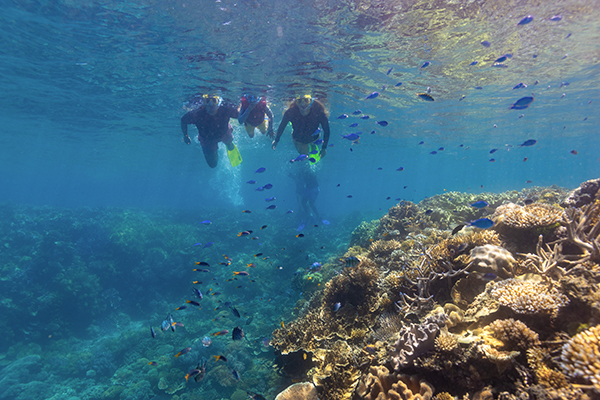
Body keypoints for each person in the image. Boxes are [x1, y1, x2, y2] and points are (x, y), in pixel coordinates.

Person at [181, 94, 242, 168]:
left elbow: (240, 114)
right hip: (207, 139)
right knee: (212, 164)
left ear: (219, 102)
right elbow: (183, 120)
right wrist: (186, 136)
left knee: (229, 142)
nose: (211, 105)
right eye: (207, 101)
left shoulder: (225, 109)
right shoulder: (197, 114)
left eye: (214, 101)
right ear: (204, 103)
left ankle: (228, 143)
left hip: (224, 133)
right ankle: (227, 143)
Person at [271, 94, 330, 161]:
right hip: (299, 140)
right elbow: (282, 126)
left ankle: (313, 145)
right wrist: (276, 140)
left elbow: (326, 130)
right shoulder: (290, 112)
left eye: (306, 100)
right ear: (296, 102)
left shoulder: (319, 112)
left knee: (313, 145)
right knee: (304, 157)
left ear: (311, 101)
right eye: (299, 101)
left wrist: (324, 147)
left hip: (314, 138)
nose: (303, 104)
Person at [291, 163, 329, 231]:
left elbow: (313, 173)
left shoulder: (311, 171)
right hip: (308, 189)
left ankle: (318, 217)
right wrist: (292, 176)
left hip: (314, 189)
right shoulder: (303, 172)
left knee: (311, 204)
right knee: (303, 203)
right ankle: (308, 216)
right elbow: (298, 177)